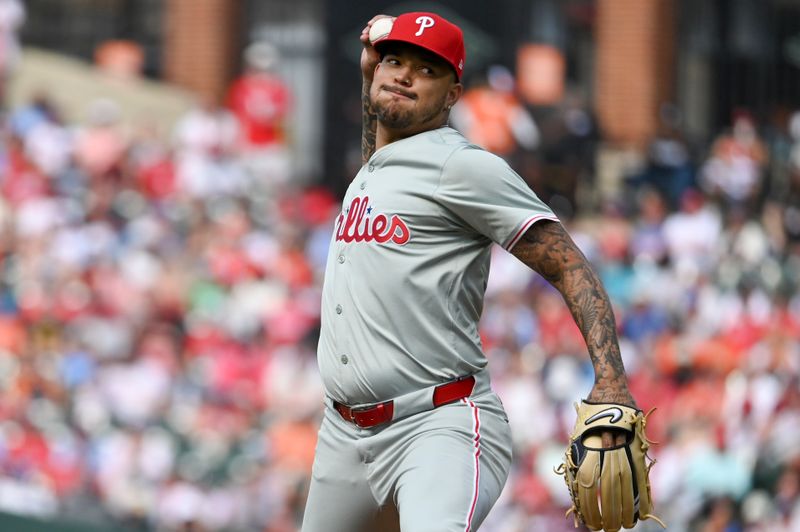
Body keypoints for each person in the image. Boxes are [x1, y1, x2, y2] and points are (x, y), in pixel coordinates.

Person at [301, 12, 639, 532]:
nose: (404, 75)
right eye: (395, 61)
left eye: (425, 69)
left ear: (453, 93)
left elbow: (569, 264)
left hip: (436, 425)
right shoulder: (377, 165)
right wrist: (370, 71)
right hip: (343, 436)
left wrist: (612, 381)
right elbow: (384, 133)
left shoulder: (461, 165)